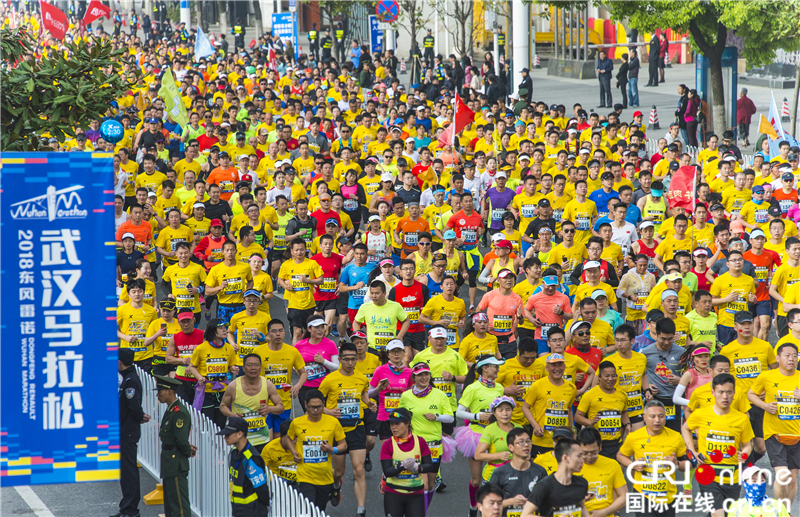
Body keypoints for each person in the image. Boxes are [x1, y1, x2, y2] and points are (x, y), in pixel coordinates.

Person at [683, 373, 754, 517]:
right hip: (707, 474)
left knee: (726, 514)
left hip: (732, 476)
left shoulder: (742, 419)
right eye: (721, 392)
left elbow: (748, 444)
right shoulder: (701, 414)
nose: (725, 397)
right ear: (713, 392)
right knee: (718, 513)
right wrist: (692, 451)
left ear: (734, 393)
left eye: (729, 392)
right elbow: (685, 428)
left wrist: (745, 453)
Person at [319, 341, 375, 514]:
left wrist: (369, 403)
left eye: (354, 359)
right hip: (337, 431)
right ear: (340, 359)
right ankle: (336, 486)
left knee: (359, 471)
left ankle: (361, 509)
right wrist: (328, 410)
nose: (350, 363)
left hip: (357, 428)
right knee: (339, 471)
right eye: (347, 359)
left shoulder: (361, 378)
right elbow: (316, 401)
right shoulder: (330, 379)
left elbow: (363, 393)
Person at [748, 343, 800, 512]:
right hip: (774, 433)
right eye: (787, 355)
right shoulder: (766, 377)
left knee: (792, 478)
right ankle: (779, 510)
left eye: (795, 355)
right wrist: (764, 406)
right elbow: (751, 394)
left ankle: (786, 511)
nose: (791, 359)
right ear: (778, 358)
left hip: (797, 434)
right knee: (782, 474)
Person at [617, 400, 690, 517]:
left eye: (661, 416)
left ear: (665, 417)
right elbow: (620, 455)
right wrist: (632, 464)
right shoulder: (634, 437)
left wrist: (676, 464)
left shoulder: (676, 437)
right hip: (642, 495)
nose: (657, 420)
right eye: (652, 416)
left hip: (667, 496)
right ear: (644, 418)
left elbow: (689, 464)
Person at [455, 355, 506, 517]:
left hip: (496, 435)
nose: (498, 369)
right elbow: (459, 412)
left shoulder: (499, 388)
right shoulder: (472, 388)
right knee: (476, 481)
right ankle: (473, 507)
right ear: (484, 368)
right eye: (495, 366)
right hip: (476, 436)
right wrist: (477, 416)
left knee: (496, 479)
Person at [398, 361, 455, 506]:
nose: (424, 378)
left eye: (426, 374)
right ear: (414, 377)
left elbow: (450, 418)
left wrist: (436, 416)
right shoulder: (406, 396)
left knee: (429, 485)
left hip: (434, 444)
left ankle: (422, 511)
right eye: (420, 375)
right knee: (420, 483)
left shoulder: (440, 395)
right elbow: (400, 418)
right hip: (415, 444)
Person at [288, 389, 347, 511]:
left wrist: (333, 450)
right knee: (308, 509)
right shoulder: (297, 423)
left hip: (324, 477)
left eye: (319, 407)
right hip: (304, 476)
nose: (315, 410)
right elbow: (288, 438)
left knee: (320, 510)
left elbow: (344, 445)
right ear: (305, 405)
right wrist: (293, 452)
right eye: (312, 407)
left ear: (324, 404)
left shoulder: (333, 422)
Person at [219, 353, 285, 453]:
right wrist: (232, 415)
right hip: (240, 439)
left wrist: (269, 409)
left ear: (261, 367)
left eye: (256, 365)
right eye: (249, 365)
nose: (253, 368)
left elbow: (281, 407)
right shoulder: (234, 386)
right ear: (243, 368)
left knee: (260, 468)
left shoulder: (267, 385)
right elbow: (223, 406)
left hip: (262, 438)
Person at [380, 407, 437, 517]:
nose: (393, 427)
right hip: (393, 495)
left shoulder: (420, 441)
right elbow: (387, 471)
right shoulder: (388, 444)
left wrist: (417, 468)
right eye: (391, 424)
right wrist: (403, 465)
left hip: (416, 495)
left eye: (397, 423)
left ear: (408, 423)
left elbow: (429, 466)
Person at [114, 349, 151, 517]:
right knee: (125, 471)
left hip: (127, 431)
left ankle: (131, 509)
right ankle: (125, 507)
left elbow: (133, 405)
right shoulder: (127, 378)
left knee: (129, 471)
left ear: (120, 362)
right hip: (124, 430)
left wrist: (139, 416)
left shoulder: (130, 380)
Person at [154, 374, 196, 517]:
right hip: (169, 461)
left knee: (179, 505)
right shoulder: (171, 409)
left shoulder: (179, 412)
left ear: (169, 391)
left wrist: (187, 450)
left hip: (175, 461)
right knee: (171, 503)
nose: (158, 394)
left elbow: (181, 440)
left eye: (160, 391)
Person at [523, 353, 578, 457]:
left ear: (564, 367)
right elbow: (525, 407)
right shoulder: (537, 385)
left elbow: (569, 410)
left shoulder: (571, 387)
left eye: (560, 365)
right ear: (547, 368)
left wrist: (572, 430)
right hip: (541, 440)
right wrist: (535, 426)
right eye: (553, 365)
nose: (557, 368)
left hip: (563, 440)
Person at [217, 417, 272, 516]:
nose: (225, 437)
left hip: (252, 511)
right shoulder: (234, 453)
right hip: (238, 509)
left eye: (228, 434)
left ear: (239, 434)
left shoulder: (251, 458)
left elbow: (261, 489)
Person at [575, 361, 630, 459]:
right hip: (596, 443)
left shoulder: (622, 395)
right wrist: (590, 422)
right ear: (599, 377)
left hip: (616, 443)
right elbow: (577, 416)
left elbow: (624, 412)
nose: (610, 379)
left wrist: (627, 424)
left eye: (613, 376)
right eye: (607, 376)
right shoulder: (589, 395)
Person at [521, 438, 589, 517]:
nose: (582, 461)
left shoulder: (582, 483)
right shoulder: (543, 486)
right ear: (566, 458)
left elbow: (582, 508)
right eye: (579, 456)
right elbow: (525, 515)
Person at [489, 427, 548, 517]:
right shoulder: (499, 473)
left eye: (528, 441)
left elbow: (547, 501)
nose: (526, 445)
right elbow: (489, 505)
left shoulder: (540, 471)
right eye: (521, 442)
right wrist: (511, 502)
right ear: (510, 447)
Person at [278, 238, 324, 343]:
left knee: (308, 332)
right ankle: (295, 356)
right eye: (297, 250)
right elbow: (280, 279)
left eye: (302, 250)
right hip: (294, 304)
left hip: (309, 304)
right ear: (292, 251)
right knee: (297, 332)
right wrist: (286, 286)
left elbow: (321, 280)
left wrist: (307, 280)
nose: (299, 252)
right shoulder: (286, 265)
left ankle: (304, 350)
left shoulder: (312, 263)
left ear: (306, 250)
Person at [576, 427, 628, 517]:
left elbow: (624, 497)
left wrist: (604, 512)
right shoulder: (571, 467)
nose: (589, 457)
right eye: (584, 453)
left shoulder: (612, 464)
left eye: (593, 452)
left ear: (600, 447)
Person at [475, 396, 522, 482]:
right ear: (494, 413)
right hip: (494, 477)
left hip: (517, 475)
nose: (505, 413)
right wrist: (498, 456)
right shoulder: (489, 430)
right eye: (500, 410)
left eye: (508, 409)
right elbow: (478, 455)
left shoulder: (519, 428)